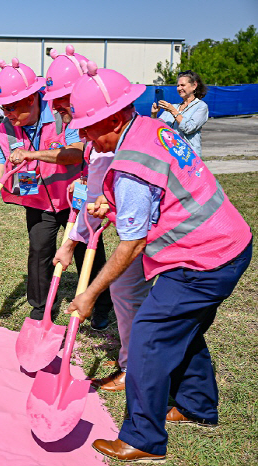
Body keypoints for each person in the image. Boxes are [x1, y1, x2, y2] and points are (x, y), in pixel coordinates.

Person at [65, 62, 252, 463]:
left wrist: (90, 294)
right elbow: (158, 198)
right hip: (230, 242)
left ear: (114, 118)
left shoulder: (131, 163)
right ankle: (196, 405)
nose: (83, 135)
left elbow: (131, 245)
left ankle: (143, 438)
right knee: (184, 327)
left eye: (89, 125)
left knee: (149, 336)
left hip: (203, 258)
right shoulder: (151, 128)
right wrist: (112, 206)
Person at [0, 58, 112, 328]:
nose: (7, 113)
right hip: (38, 200)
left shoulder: (61, 114)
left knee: (88, 251)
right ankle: (39, 309)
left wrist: (33, 154)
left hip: (75, 198)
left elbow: (75, 154)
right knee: (38, 253)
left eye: (12, 107)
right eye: (3, 108)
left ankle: (101, 305)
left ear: (31, 99)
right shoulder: (4, 129)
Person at [48, 46, 152, 391]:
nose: (60, 107)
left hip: (153, 236)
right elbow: (94, 200)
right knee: (127, 295)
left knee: (129, 294)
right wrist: (70, 243)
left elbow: (106, 204)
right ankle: (130, 356)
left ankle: (133, 366)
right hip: (136, 227)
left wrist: (89, 290)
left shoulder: (117, 145)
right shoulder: (100, 142)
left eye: (65, 98)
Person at [152, 70, 209, 158]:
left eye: (182, 85)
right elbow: (158, 128)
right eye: (178, 86)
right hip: (170, 154)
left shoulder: (201, 106)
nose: (179, 88)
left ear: (194, 86)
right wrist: (154, 115)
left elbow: (189, 128)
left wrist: (173, 111)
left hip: (188, 157)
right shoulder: (174, 106)